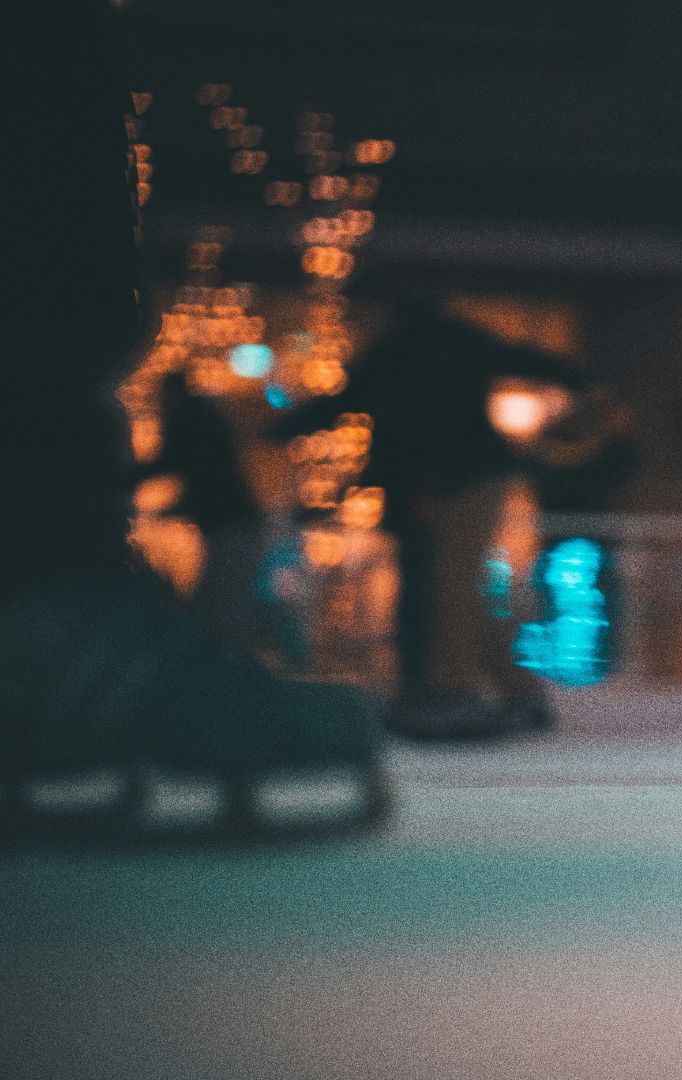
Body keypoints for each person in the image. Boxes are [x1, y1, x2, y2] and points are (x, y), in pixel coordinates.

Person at [1, 1, 386, 839]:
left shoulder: (195, 419)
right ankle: (43, 611)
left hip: (216, 518)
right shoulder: (196, 418)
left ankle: (57, 608)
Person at [272, 282, 588, 739]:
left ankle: (453, 692)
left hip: (465, 480)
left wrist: (282, 430)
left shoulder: (410, 349)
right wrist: (572, 375)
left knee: (453, 587)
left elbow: (355, 402)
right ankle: (512, 695)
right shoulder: (431, 345)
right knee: (457, 590)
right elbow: (513, 359)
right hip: (458, 481)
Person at [133, 372, 268, 650]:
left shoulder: (190, 426)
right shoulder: (204, 424)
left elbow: (175, 466)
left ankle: (232, 669)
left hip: (230, 529)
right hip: (235, 527)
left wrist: (120, 480)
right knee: (216, 603)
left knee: (222, 607)